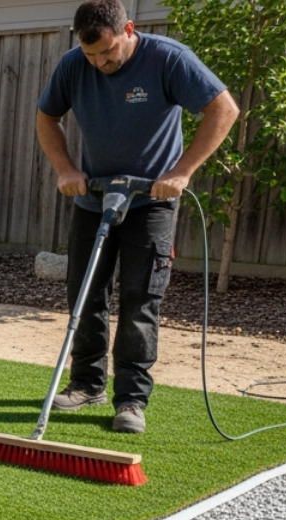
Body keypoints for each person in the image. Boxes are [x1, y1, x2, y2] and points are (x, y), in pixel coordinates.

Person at [35, 0, 238, 434]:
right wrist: (67, 170)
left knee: (140, 298)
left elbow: (224, 109)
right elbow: (46, 116)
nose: (100, 63)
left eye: (107, 53)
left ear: (129, 29)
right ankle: (87, 384)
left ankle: (131, 400)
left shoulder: (169, 59)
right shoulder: (74, 65)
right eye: (91, 56)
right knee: (85, 293)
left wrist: (180, 172)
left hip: (151, 203)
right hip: (95, 199)